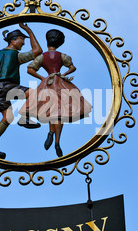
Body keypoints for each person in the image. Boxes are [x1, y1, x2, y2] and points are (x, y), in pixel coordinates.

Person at [0, 22, 42, 159]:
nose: (23, 44)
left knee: (8, 117)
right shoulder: (16, 55)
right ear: (14, 40)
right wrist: (29, 31)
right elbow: (37, 51)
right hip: (6, 86)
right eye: (22, 40)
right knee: (33, 93)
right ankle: (24, 117)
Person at [19, 29, 92, 157]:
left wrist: (42, 78)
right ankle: (56, 141)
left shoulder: (43, 56)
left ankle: (51, 134)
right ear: (60, 43)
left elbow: (30, 69)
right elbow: (72, 67)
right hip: (60, 83)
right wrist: (63, 74)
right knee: (60, 112)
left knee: (50, 110)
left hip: (48, 82)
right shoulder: (62, 55)